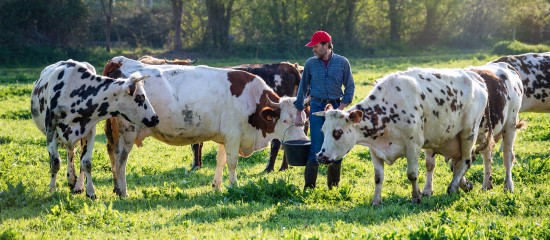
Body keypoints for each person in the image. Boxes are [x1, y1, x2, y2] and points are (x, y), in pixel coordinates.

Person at [294, 30, 355, 189]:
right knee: (316, 146)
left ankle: (333, 187)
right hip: (316, 107)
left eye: (316, 46)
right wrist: (299, 111)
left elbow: (350, 87)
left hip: (336, 108)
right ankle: (309, 188)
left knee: (337, 146)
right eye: (312, 46)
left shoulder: (342, 63)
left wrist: (340, 109)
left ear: (326, 45)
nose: (313, 49)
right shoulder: (310, 64)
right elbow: (303, 88)